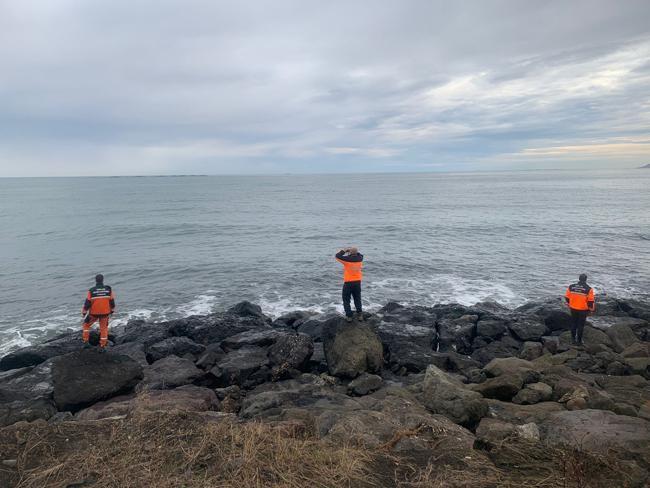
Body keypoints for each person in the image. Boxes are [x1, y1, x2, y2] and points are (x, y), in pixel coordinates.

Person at [81, 274, 115, 349]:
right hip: (105, 313)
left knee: (86, 325)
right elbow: (112, 302)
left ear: (95, 280)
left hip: (94, 314)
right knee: (103, 328)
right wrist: (112, 310)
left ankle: (85, 341)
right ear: (103, 280)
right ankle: (102, 345)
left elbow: (87, 303)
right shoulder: (108, 290)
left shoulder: (91, 290)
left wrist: (84, 312)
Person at [564, 274, 595, 346]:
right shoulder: (588, 289)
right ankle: (579, 341)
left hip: (573, 308)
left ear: (579, 278)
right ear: (586, 279)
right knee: (580, 325)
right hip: (583, 309)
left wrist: (570, 303)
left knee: (574, 323)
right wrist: (591, 310)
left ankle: (573, 339)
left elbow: (567, 297)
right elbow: (590, 301)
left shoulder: (571, 287)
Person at [335, 247, 364, 322]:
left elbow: (337, 256)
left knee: (346, 299)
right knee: (357, 298)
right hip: (357, 282)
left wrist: (344, 250)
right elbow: (360, 254)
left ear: (350, 253)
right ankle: (360, 314)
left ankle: (349, 316)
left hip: (348, 283)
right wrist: (352, 251)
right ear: (357, 253)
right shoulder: (360, 259)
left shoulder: (347, 260)